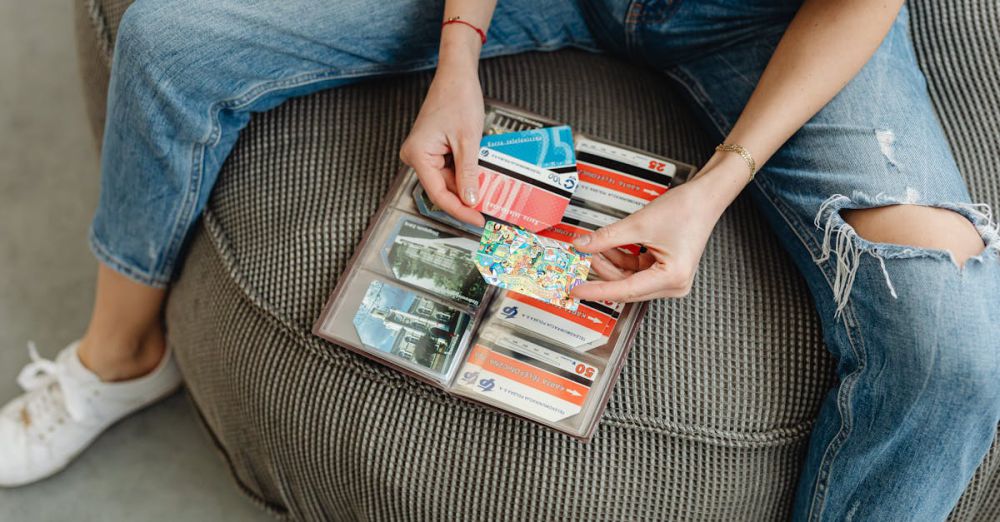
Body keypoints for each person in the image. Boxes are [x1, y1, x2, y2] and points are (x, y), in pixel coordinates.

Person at [2, 0, 997, 519]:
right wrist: (459, 52)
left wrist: (721, 182)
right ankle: (121, 355)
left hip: (774, 24)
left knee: (955, 353)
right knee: (172, 40)